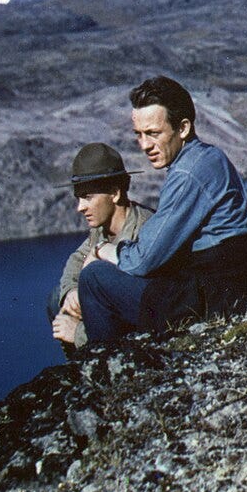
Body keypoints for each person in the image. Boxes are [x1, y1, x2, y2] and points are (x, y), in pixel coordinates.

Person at [76, 75, 247, 344]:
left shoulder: (187, 173)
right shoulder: (209, 155)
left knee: (94, 278)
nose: (144, 145)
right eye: (138, 134)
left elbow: (143, 260)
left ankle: (103, 360)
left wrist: (102, 251)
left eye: (153, 133)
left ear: (182, 128)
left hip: (217, 295)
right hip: (237, 277)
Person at [49, 143, 154, 350]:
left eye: (88, 197)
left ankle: (102, 358)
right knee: (56, 298)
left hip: (143, 322)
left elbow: (141, 311)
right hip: (118, 314)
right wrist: (71, 292)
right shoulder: (101, 230)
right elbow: (76, 260)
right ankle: (86, 363)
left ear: (114, 193)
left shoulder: (146, 230)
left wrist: (79, 334)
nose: (80, 207)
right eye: (78, 198)